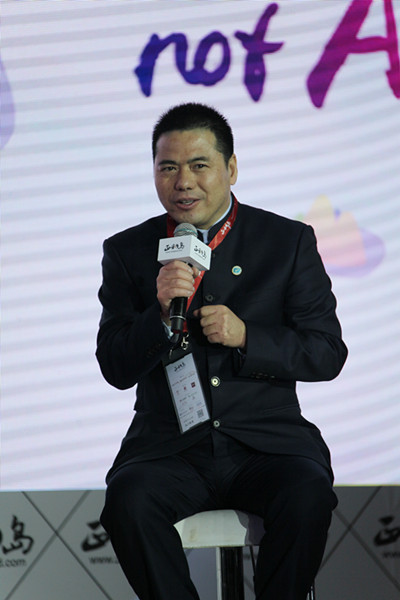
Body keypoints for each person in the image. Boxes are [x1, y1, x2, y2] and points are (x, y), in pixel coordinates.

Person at [96, 102, 348, 600]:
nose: (183, 182)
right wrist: (158, 312)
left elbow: (326, 352)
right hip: (170, 447)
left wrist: (247, 336)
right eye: (168, 168)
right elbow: (115, 366)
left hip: (267, 444)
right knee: (129, 500)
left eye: (199, 165)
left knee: (306, 493)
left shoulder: (286, 241)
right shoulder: (128, 250)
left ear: (231, 168)